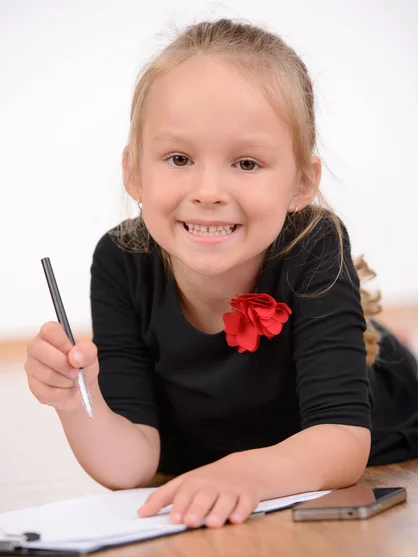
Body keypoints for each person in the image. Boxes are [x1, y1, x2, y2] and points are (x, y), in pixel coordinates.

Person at [25, 19, 418, 530]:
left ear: (302, 183)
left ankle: (392, 338)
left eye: (247, 163)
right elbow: (132, 465)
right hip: (207, 442)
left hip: (367, 413)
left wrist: (247, 474)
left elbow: (341, 443)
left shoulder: (315, 242)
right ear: (134, 172)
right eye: (180, 158)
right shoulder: (120, 260)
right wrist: (76, 403)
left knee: (387, 351)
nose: (208, 189)